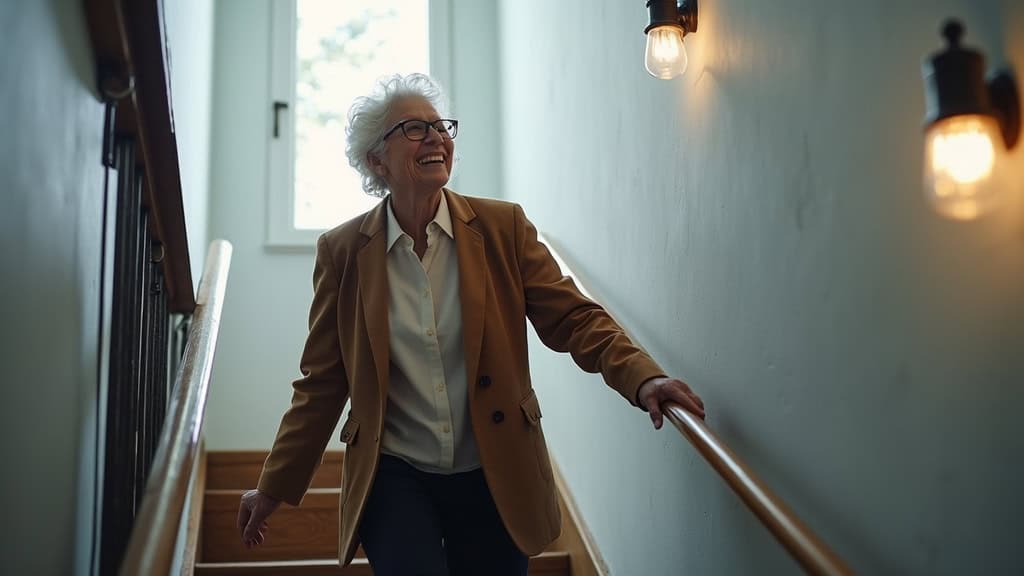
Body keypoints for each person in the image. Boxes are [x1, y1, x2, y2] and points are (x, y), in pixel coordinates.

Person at [237, 73, 705, 576]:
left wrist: (643, 376)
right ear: (377, 160)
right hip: (393, 473)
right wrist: (274, 485)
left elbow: (573, 317)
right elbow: (324, 381)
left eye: (442, 127)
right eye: (415, 129)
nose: (437, 138)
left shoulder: (502, 228)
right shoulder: (343, 251)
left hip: (496, 470)